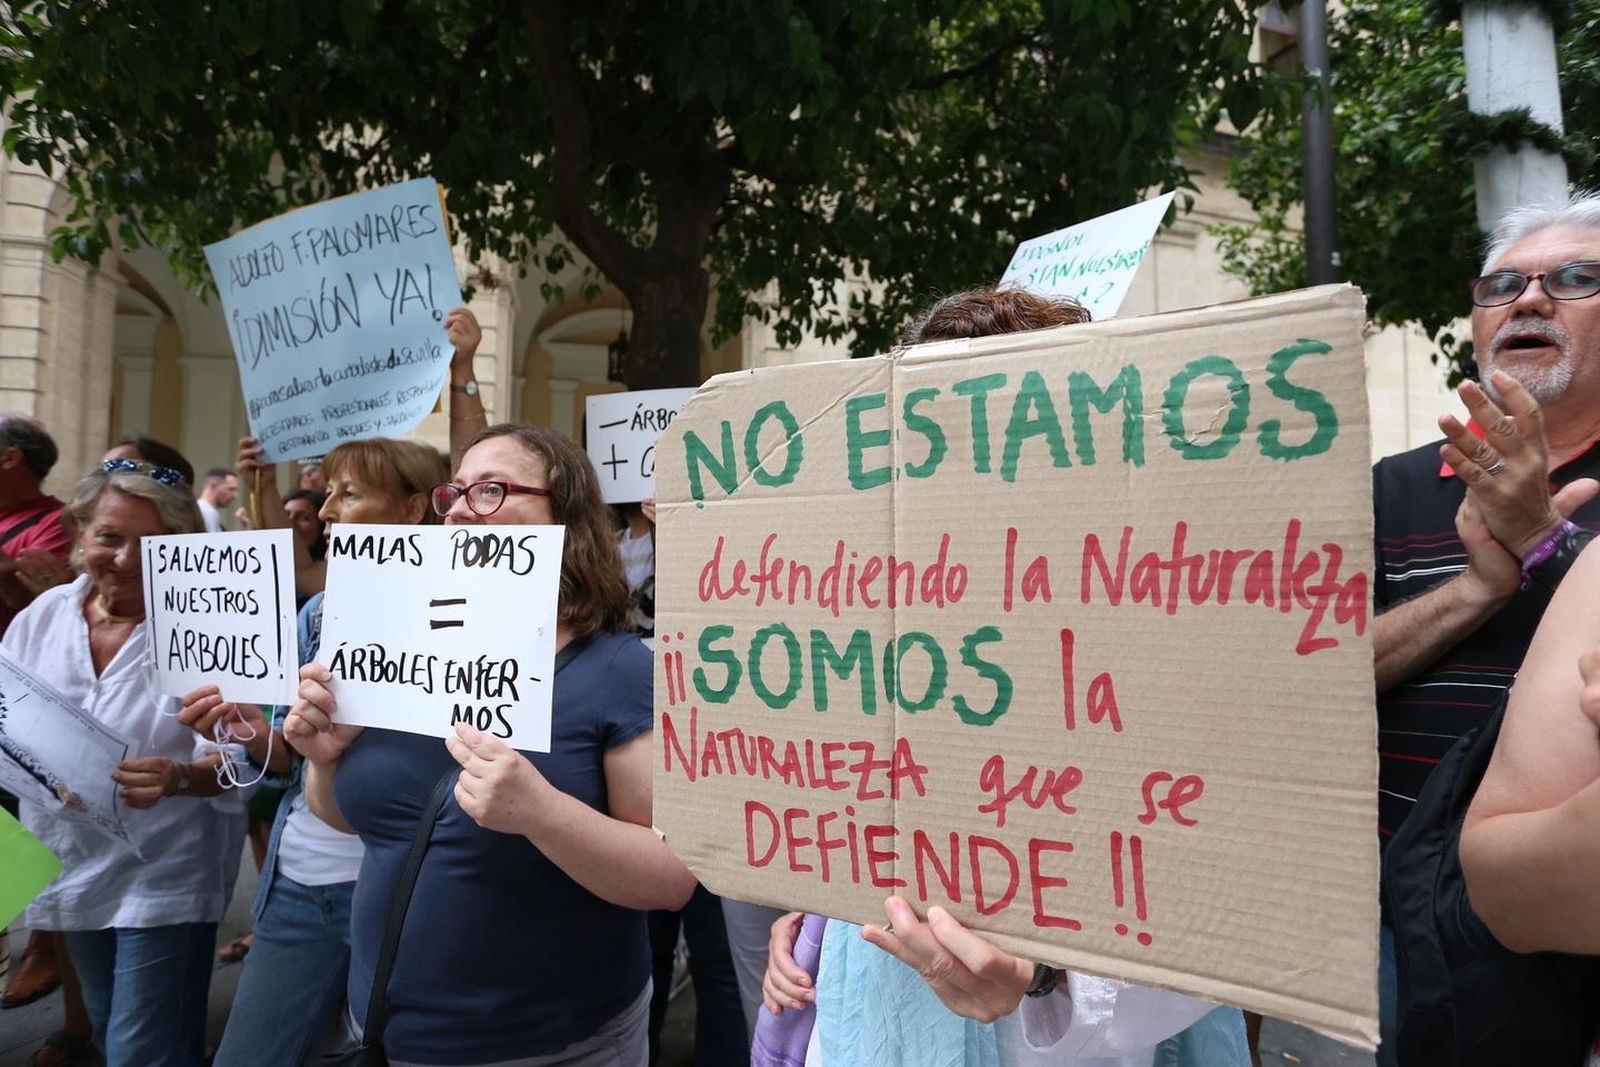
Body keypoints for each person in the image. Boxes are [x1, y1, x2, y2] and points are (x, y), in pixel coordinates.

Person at [759, 287, 1250, 1067]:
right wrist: (814, 916)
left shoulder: (1159, 645)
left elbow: (1225, 924)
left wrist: (1047, 979)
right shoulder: (870, 625)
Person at [286, 423, 696, 1065]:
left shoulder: (618, 669)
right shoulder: (393, 647)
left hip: (548, 1043)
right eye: (455, 494)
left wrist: (541, 813)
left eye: (493, 491)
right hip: (383, 1033)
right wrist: (323, 759)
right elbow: (349, 816)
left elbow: (671, 880)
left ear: (565, 517)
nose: (460, 512)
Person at [1371, 190, 1600, 1060]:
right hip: (1408, 919)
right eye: (1502, 284)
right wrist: (1476, 589)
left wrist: (1544, 539)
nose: (1529, 300)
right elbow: (1315, 674)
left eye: (1574, 279)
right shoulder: (1391, 484)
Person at [191, 438, 447, 1067]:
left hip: (409, 898)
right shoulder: (317, 614)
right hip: (298, 883)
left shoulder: (470, 621)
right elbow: (290, 762)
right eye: (327, 491)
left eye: (350, 494)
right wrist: (255, 732)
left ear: (414, 510)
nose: (327, 510)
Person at [8, 458, 247, 1066]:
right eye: (110, 537)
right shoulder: (45, 615)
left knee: (142, 1049)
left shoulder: (209, 622)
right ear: (81, 531)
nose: (127, 559)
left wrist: (179, 777)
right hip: (68, 860)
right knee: (115, 1020)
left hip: (164, 869)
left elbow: (241, 758)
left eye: (155, 544)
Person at [196, 467, 239, 533]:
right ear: (213, 486)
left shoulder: (200, 509)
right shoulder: (207, 512)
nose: (235, 496)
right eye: (231, 489)